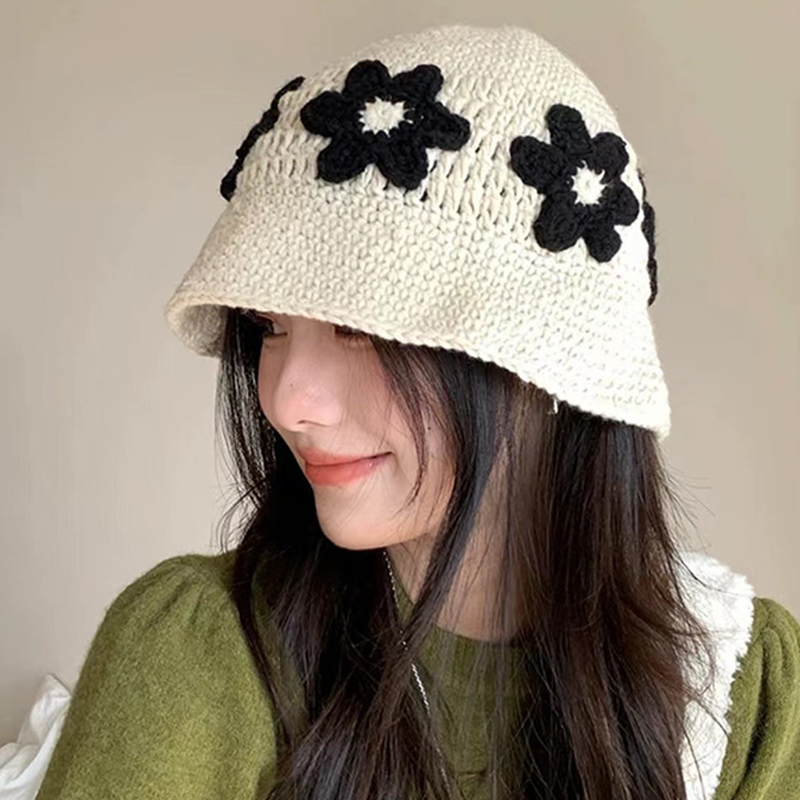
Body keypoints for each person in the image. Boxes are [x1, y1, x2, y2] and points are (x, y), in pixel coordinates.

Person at [34, 23, 800, 800]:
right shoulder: (197, 658)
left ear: (544, 359)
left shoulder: (742, 696)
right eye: (268, 327)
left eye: (360, 327)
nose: (288, 401)